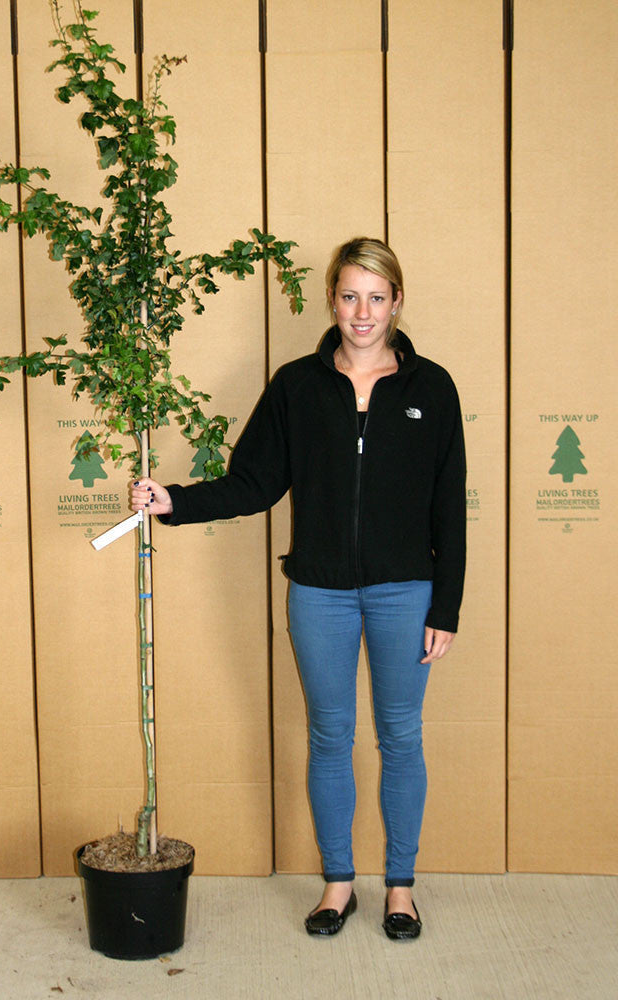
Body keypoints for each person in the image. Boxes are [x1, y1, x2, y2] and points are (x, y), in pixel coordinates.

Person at [130, 237, 466, 941]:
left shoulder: (432, 388)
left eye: (377, 297)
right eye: (350, 296)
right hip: (319, 592)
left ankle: (400, 887)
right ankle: (338, 883)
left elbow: (449, 505)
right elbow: (255, 481)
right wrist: (175, 501)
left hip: (407, 591)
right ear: (333, 301)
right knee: (329, 735)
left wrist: (447, 606)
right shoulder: (297, 386)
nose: (362, 312)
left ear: (398, 302)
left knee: (401, 737)